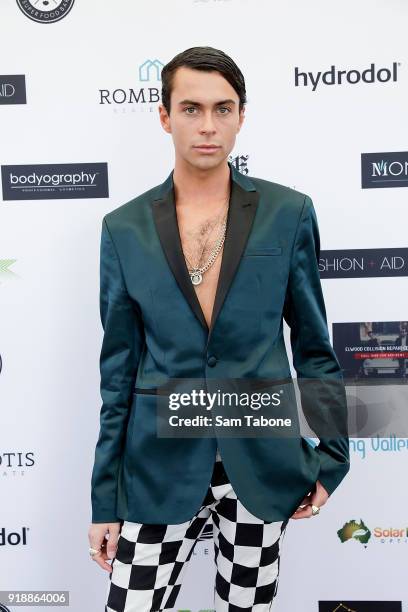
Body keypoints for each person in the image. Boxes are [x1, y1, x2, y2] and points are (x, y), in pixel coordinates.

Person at [88, 46, 350, 611]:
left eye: (223, 109)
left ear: (240, 115)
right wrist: (105, 498)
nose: (208, 126)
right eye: (191, 108)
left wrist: (334, 456)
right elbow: (118, 375)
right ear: (164, 116)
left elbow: (314, 349)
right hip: (158, 467)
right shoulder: (123, 229)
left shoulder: (289, 213)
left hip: (260, 461)